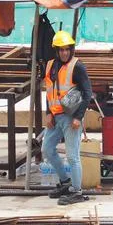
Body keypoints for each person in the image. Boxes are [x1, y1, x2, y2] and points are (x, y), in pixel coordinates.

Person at [42, 30, 92, 205]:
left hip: (71, 118)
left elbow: (87, 94)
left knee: (72, 156)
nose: (64, 53)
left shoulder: (77, 66)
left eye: (67, 49)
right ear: (56, 51)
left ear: (71, 49)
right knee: (47, 150)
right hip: (55, 117)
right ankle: (65, 182)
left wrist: (78, 117)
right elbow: (49, 92)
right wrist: (48, 112)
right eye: (61, 50)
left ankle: (77, 191)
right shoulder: (49, 66)